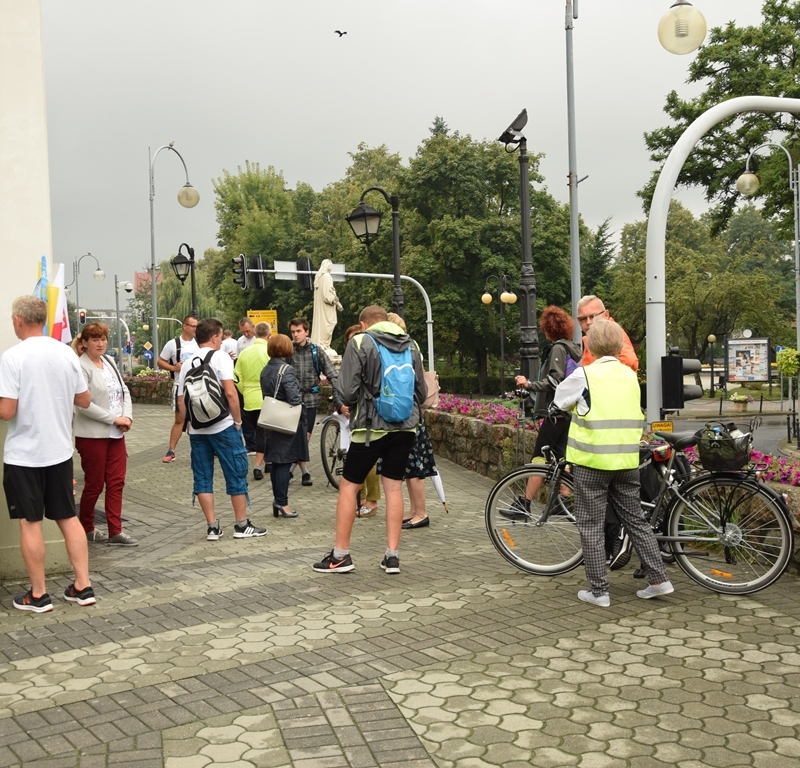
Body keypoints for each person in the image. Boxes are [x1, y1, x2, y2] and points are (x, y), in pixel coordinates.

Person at [553, 319, 674, 607]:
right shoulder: (630, 376)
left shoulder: (585, 374)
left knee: (591, 525)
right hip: (626, 461)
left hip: (592, 462)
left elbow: (559, 401)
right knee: (635, 520)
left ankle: (599, 591)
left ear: (589, 346)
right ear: (620, 346)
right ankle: (659, 579)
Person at [313, 305, 426, 575]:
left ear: (363, 324)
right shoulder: (411, 344)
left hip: (369, 430)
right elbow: (420, 391)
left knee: (350, 487)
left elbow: (348, 391)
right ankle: (392, 557)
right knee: (394, 489)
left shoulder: (361, 341)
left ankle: (340, 556)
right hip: (405, 429)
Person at [0, 296, 95, 612]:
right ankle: (83, 586)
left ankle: (38, 595)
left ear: (17, 321)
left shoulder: (12, 357)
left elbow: (7, 410)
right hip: (59, 450)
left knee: (30, 522)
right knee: (68, 517)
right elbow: (83, 399)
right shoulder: (65, 353)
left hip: (25, 455)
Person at [177, 318, 267, 541]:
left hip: (197, 430)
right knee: (235, 472)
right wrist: (237, 421)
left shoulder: (187, 362)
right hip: (223, 425)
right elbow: (230, 393)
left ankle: (212, 527)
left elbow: (181, 401)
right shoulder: (221, 358)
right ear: (216, 336)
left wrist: (190, 423)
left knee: (202, 477)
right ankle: (241, 524)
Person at [576, 295, 639, 567]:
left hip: (610, 422)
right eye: (583, 319)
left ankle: (615, 541)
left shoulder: (612, 335)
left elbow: (629, 363)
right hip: (612, 422)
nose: (589, 322)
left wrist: (593, 377)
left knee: (607, 489)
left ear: (606, 314)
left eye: (594, 316)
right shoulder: (590, 339)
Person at [73, 323, 137, 546]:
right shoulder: (80, 367)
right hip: (92, 435)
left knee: (117, 482)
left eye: (103, 339)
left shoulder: (109, 361)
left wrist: (127, 417)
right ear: (84, 343)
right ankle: (87, 527)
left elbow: (124, 390)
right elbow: (83, 404)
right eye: (95, 339)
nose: (100, 344)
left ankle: (115, 530)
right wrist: (114, 419)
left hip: (116, 433)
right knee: (95, 483)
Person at [512, 306, 582, 506]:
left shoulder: (558, 348)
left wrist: (529, 384)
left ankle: (524, 503)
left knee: (539, 456)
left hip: (556, 412)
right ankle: (564, 502)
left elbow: (555, 380)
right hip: (568, 412)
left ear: (548, 328)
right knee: (560, 456)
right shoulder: (574, 348)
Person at [385, 313, 436, 531]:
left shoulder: (404, 347)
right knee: (410, 466)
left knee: (415, 467)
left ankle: (421, 512)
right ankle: (415, 511)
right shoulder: (411, 345)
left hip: (408, 413)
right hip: (412, 411)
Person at [288, 316, 341, 486]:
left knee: (306, 436)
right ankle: (303, 471)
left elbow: (332, 373)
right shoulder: (288, 350)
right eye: (293, 332)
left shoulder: (316, 351)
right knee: (296, 436)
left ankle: (294, 470)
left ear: (306, 332)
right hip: (292, 400)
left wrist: (340, 392)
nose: (296, 335)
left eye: (299, 331)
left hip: (311, 399)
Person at [260, 334, 307, 518]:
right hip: (285, 421)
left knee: (276, 462)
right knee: (284, 463)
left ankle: (277, 500)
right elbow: (294, 398)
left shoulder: (266, 369)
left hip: (270, 420)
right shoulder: (286, 370)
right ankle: (282, 502)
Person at [158, 315, 199, 463]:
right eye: (192, 326)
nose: (195, 329)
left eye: (196, 326)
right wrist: (173, 367)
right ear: (184, 326)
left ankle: (202, 450)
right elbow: (160, 361)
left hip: (198, 387)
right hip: (180, 387)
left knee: (198, 419)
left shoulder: (199, 343)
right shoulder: (173, 344)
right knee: (180, 419)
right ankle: (171, 450)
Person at [234, 321, 271, 480]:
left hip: (249, 398)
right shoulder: (269, 351)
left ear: (255, 334)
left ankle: (261, 462)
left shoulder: (244, 353)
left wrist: (245, 390)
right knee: (267, 433)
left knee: (256, 432)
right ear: (269, 335)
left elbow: (236, 377)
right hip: (266, 398)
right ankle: (266, 462)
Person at [310, 258, 343, 350]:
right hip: (326, 308)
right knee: (329, 324)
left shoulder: (318, 278)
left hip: (321, 308)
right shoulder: (327, 276)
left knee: (323, 325)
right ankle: (324, 345)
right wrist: (336, 302)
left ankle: (321, 343)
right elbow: (328, 296)